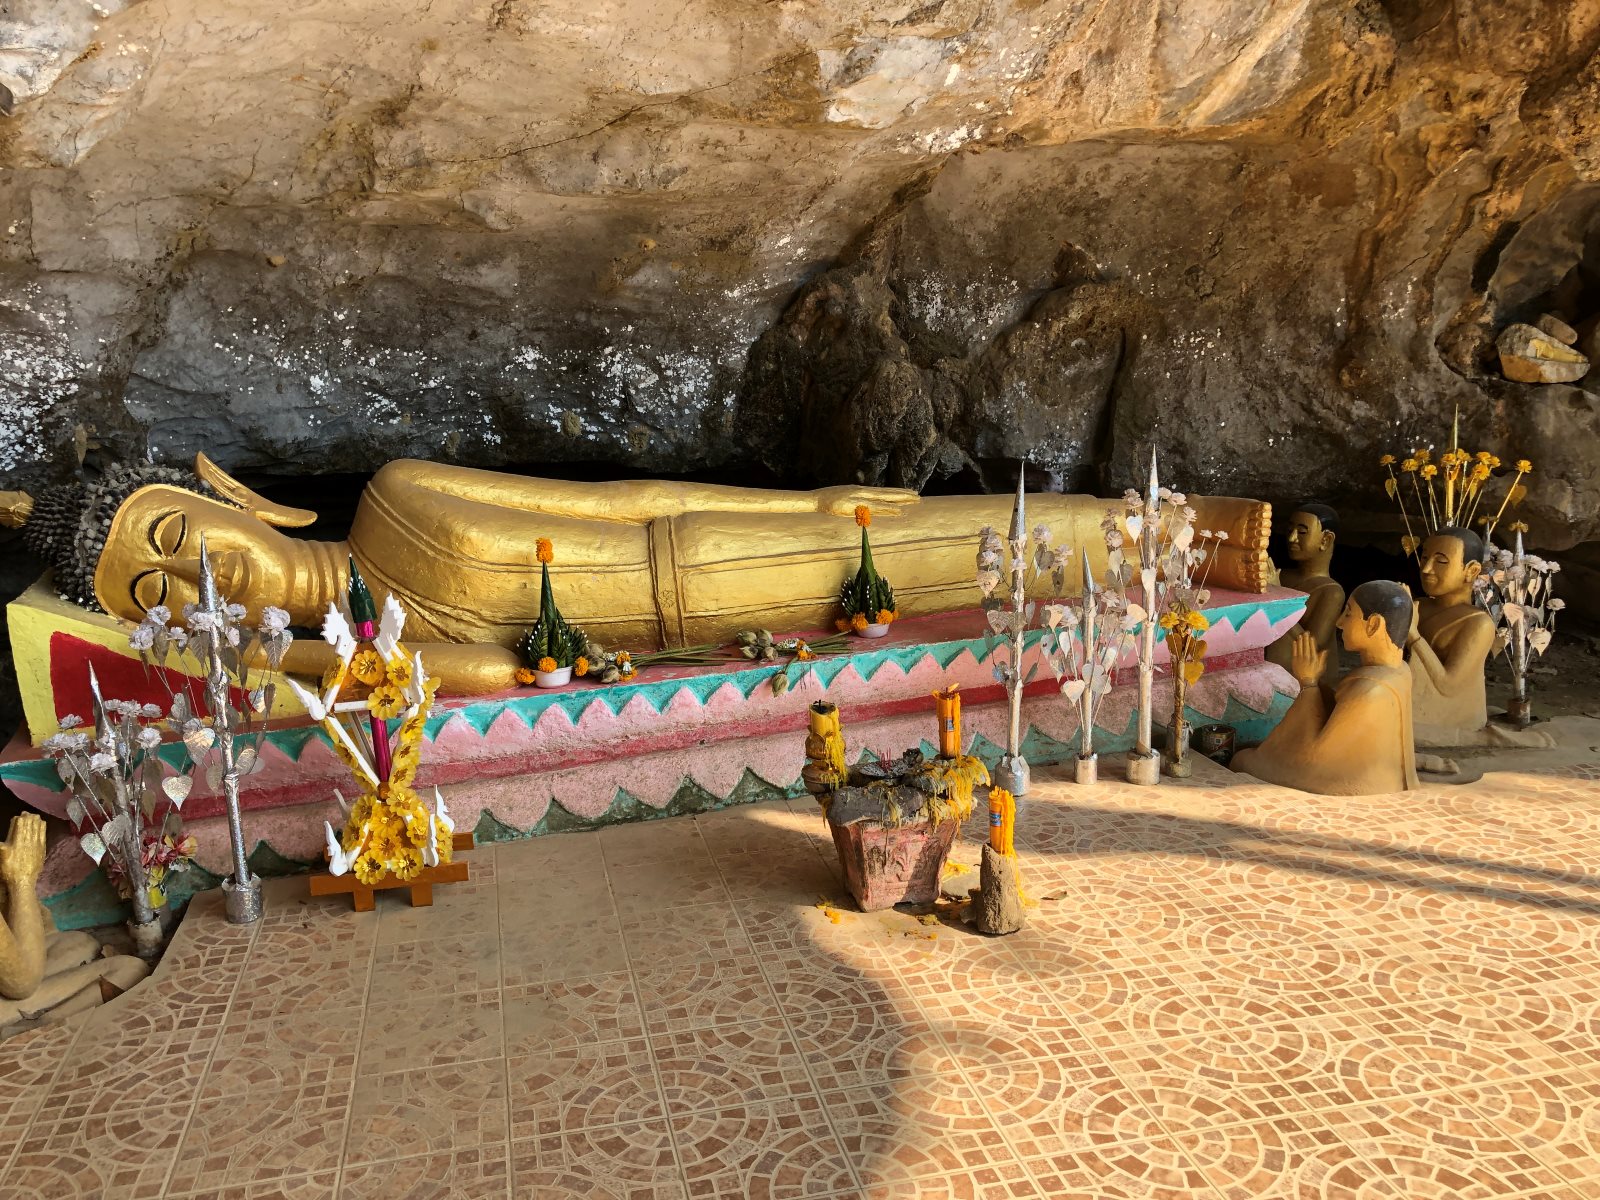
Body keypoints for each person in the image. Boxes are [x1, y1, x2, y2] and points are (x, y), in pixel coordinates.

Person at [4, 455, 1272, 694]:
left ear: (222, 499)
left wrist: (785, 503)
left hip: (698, 545)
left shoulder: (397, 499)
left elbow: (611, 501)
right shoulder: (374, 643)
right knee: (957, 581)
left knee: (944, 536)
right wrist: (282, 655)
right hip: (696, 620)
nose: (200, 575)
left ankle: (1171, 531)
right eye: (159, 594)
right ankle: (1155, 547)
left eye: (171, 536)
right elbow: (487, 673)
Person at [1232, 580, 1419, 795]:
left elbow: (1313, 759)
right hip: (1381, 778)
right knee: (1253, 750)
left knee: (1242, 760)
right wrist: (1315, 682)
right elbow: (1335, 712)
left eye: (1348, 614)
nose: (1339, 623)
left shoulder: (1370, 690)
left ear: (1374, 624)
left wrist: (1308, 683)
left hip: (1351, 780)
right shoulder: (1400, 669)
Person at [1408, 525, 1495, 740]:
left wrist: (1413, 636)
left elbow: (1449, 686)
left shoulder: (1478, 623)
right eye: (1424, 558)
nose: (1426, 569)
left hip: (1450, 712)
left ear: (1471, 571)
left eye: (1441, 561)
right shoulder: (1419, 605)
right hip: (1411, 696)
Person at [1265, 502, 1345, 685]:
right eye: (1289, 530)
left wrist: (1278, 598)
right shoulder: (1281, 575)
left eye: (1302, 532)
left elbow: (1311, 646)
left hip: (1301, 679)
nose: (1292, 538)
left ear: (1326, 540)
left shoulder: (1331, 592)